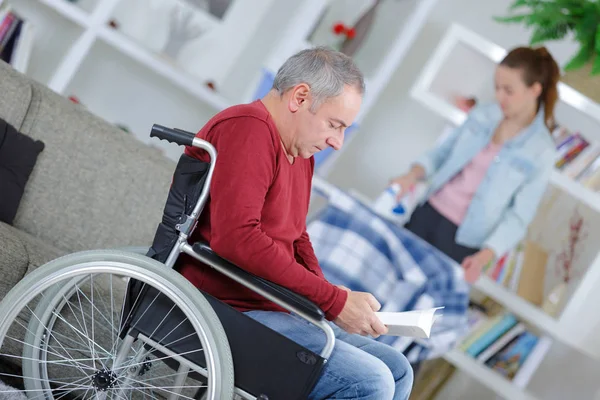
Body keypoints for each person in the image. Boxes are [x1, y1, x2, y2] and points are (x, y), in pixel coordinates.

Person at [177, 47, 414, 400]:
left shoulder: (299, 151)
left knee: (398, 368)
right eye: (335, 125)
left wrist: (332, 296)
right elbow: (237, 238)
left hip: (264, 305)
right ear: (300, 97)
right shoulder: (249, 129)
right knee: (371, 381)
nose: (337, 141)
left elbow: (295, 235)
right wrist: (331, 301)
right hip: (217, 307)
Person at [391, 46, 560, 283]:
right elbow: (442, 153)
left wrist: (484, 257)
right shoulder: (484, 113)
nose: (500, 96)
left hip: (462, 242)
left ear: (534, 90)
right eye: (497, 87)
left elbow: (519, 217)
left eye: (508, 90)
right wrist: (411, 175)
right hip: (426, 213)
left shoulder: (542, 151)